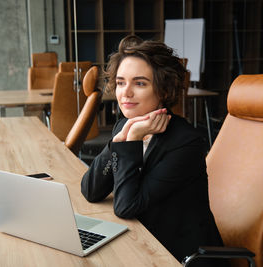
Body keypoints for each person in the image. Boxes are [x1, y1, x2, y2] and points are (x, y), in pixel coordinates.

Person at [81, 35, 225, 266]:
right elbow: (90, 190)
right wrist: (118, 140)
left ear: (164, 90)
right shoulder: (125, 126)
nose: (125, 93)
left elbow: (127, 206)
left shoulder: (186, 143)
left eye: (139, 83)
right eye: (120, 82)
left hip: (176, 256)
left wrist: (133, 139)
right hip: (142, 242)